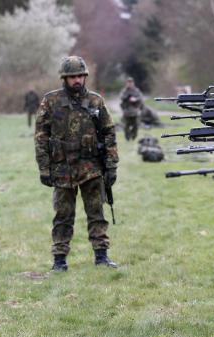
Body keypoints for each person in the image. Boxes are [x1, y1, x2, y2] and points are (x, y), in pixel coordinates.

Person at [34, 56, 119, 271]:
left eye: (80, 76)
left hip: (91, 168)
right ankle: (59, 260)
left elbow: (109, 133)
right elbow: (41, 136)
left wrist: (111, 165)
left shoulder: (96, 101)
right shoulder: (51, 101)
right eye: (72, 77)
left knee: (96, 213)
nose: (77, 80)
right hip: (62, 169)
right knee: (63, 216)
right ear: (64, 78)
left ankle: (101, 256)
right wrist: (44, 168)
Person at [119, 77, 143, 141]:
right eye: (128, 82)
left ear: (133, 83)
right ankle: (127, 137)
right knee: (126, 125)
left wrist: (135, 99)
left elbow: (140, 98)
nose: (129, 84)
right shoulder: (124, 91)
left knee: (135, 125)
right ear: (126, 83)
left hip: (134, 111)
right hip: (126, 111)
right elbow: (121, 97)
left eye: (131, 82)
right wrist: (126, 97)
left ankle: (133, 136)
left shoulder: (136, 90)